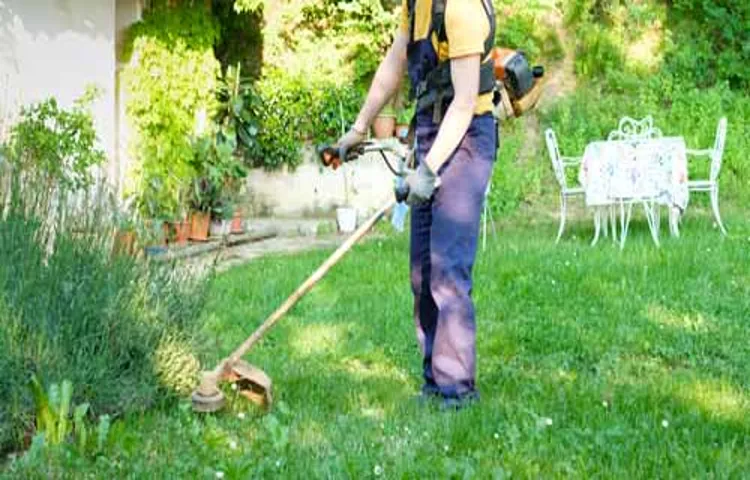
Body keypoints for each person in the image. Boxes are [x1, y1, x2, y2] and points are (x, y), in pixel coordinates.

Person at [335, 0, 498, 409]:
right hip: (431, 131)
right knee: (422, 273)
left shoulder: (461, 9)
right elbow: (394, 63)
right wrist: (359, 128)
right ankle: (434, 381)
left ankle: (458, 390)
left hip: (467, 139)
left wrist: (426, 169)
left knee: (447, 269)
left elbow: (464, 102)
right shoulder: (417, 7)